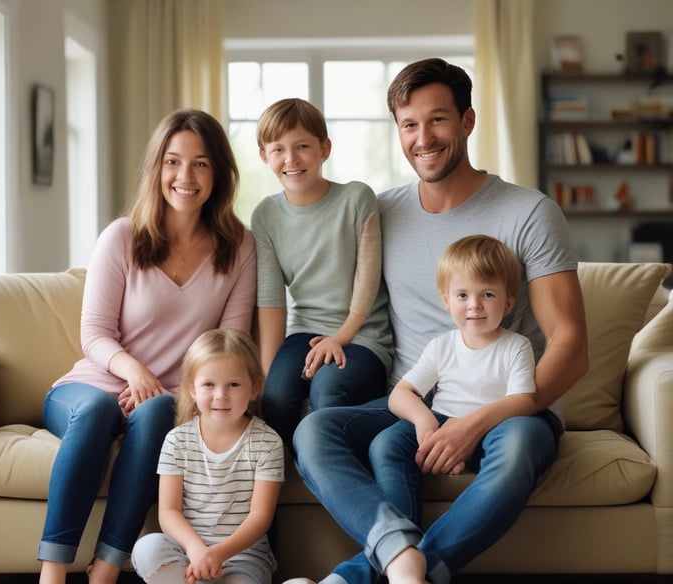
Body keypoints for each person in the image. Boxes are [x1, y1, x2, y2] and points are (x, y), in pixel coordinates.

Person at [292, 57, 589, 584]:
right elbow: (311, 269)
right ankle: (399, 556)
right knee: (313, 431)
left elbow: (571, 345)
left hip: (510, 406)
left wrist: (477, 422)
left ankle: (386, 572)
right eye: (409, 124)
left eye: (438, 120)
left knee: (520, 445)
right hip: (414, 404)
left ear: (467, 121)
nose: (423, 138)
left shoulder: (529, 212)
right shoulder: (380, 214)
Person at [37, 109, 257, 584]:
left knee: (157, 413)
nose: (185, 176)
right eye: (173, 161)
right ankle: (51, 574)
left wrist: (167, 393)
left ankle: (104, 570)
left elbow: (232, 348)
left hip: (166, 399)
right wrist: (135, 372)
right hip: (91, 387)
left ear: (219, 172)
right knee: (96, 411)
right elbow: (94, 333)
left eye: (200, 163)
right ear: (157, 168)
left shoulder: (239, 246)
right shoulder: (122, 236)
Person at [251, 97, 393, 444]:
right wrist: (267, 376)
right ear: (264, 156)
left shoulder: (356, 198)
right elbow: (271, 301)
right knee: (277, 397)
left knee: (327, 391)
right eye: (278, 149)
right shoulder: (265, 215)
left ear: (324, 149)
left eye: (302, 146)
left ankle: (331, 464)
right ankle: (288, 469)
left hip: (362, 335)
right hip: (303, 332)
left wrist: (339, 338)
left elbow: (367, 281)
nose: (291, 158)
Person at [131, 328, 284, 584]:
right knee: (147, 549)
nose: (220, 395)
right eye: (209, 385)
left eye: (233, 384)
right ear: (193, 390)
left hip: (244, 559)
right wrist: (197, 551)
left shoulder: (268, 442)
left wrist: (217, 554)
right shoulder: (177, 440)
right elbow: (168, 511)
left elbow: (260, 516)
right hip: (189, 554)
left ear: (254, 389)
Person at [387, 234, 536, 480]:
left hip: (492, 429)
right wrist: (425, 422)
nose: (474, 305)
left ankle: (462, 462)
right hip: (440, 423)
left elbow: (523, 401)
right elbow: (400, 394)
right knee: (386, 445)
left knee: (511, 447)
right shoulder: (441, 346)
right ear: (446, 300)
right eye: (463, 295)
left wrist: (471, 429)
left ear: (508, 303)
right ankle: (395, 509)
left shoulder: (516, 346)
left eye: (488, 295)